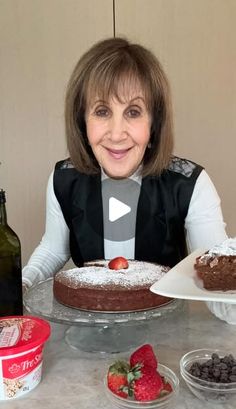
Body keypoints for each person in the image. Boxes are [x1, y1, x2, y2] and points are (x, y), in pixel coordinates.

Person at [23, 37, 236, 324]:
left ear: (154, 123)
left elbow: (218, 284)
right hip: (88, 335)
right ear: (81, 120)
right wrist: (20, 285)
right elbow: (53, 249)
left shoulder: (190, 184)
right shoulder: (64, 179)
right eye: (102, 111)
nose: (116, 133)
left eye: (133, 112)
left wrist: (230, 306)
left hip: (165, 339)